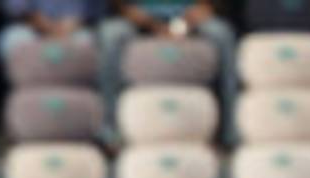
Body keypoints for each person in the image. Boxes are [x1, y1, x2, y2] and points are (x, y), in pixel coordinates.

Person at [102, 1, 237, 135]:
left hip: (189, 16)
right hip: (141, 18)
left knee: (221, 32)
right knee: (111, 33)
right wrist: (131, 12)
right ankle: (110, 126)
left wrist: (202, 10)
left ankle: (229, 128)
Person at [0, 0, 108, 59]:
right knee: (15, 39)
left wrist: (75, 23)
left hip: (75, 29)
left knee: (86, 40)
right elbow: (17, 8)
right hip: (33, 28)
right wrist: (47, 26)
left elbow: (94, 10)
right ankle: (22, 100)